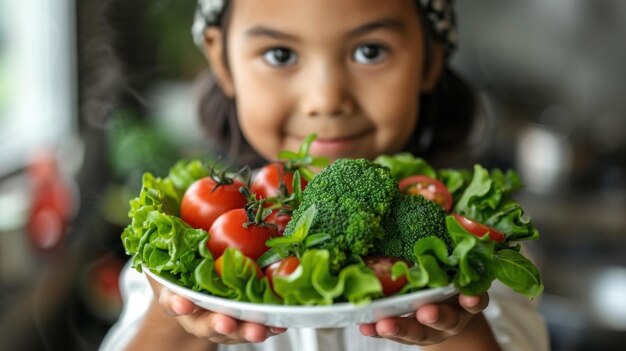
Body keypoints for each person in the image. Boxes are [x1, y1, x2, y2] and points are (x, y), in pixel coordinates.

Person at [100, 0, 550, 350]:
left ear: (431, 59)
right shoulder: (191, 235)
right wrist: (182, 310)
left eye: (369, 51)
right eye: (279, 54)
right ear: (222, 61)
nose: (326, 99)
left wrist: (457, 329)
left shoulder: (475, 236)